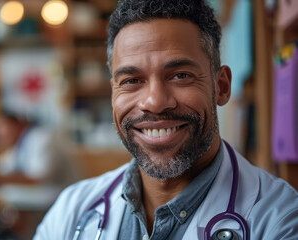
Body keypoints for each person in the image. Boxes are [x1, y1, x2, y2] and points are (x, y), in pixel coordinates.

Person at [34, 0, 298, 239]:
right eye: (132, 81)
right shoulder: (70, 213)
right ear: (113, 92)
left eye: (180, 75)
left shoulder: (281, 219)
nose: (155, 102)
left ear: (222, 87)